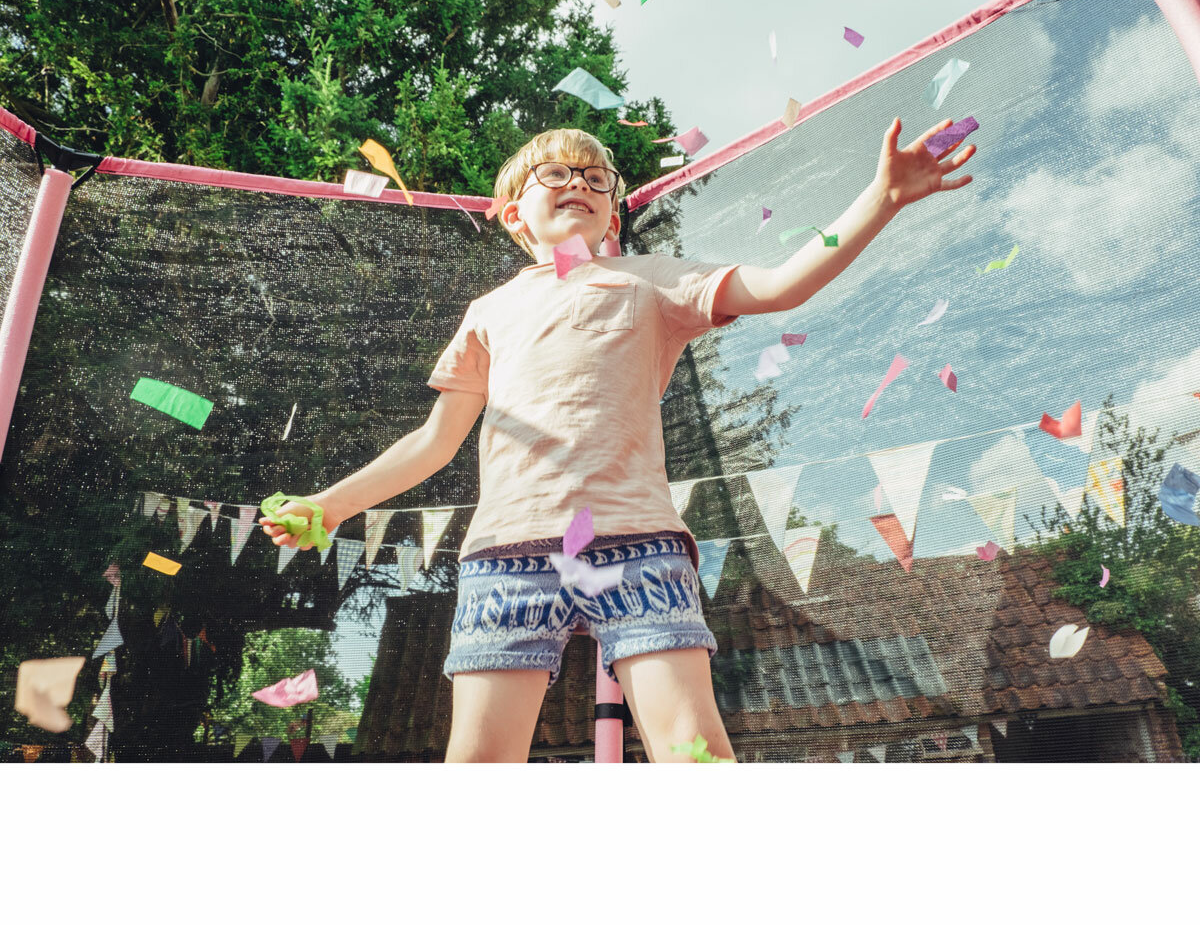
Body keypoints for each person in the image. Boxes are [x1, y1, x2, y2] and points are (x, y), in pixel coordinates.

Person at [260, 119, 974, 762]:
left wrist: (880, 198)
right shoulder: (491, 311)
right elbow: (434, 441)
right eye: (559, 173)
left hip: (637, 547)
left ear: (608, 213)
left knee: (695, 757)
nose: (581, 182)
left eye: (596, 178)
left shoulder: (648, 282)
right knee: (477, 766)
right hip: (510, 554)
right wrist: (330, 504)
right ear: (514, 214)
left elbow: (781, 285)